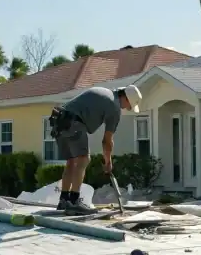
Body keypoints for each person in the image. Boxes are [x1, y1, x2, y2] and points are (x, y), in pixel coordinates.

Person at [49, 84, 142, 214]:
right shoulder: (115, 107)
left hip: (59, 120)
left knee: (71, 161)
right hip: (74, 123)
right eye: (129, 105)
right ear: (126, 98)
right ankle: (74, 201)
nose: (127, 108)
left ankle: (64, 200)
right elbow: (107, 141)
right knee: (83, 159)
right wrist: (108, 162)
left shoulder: (104, 91)